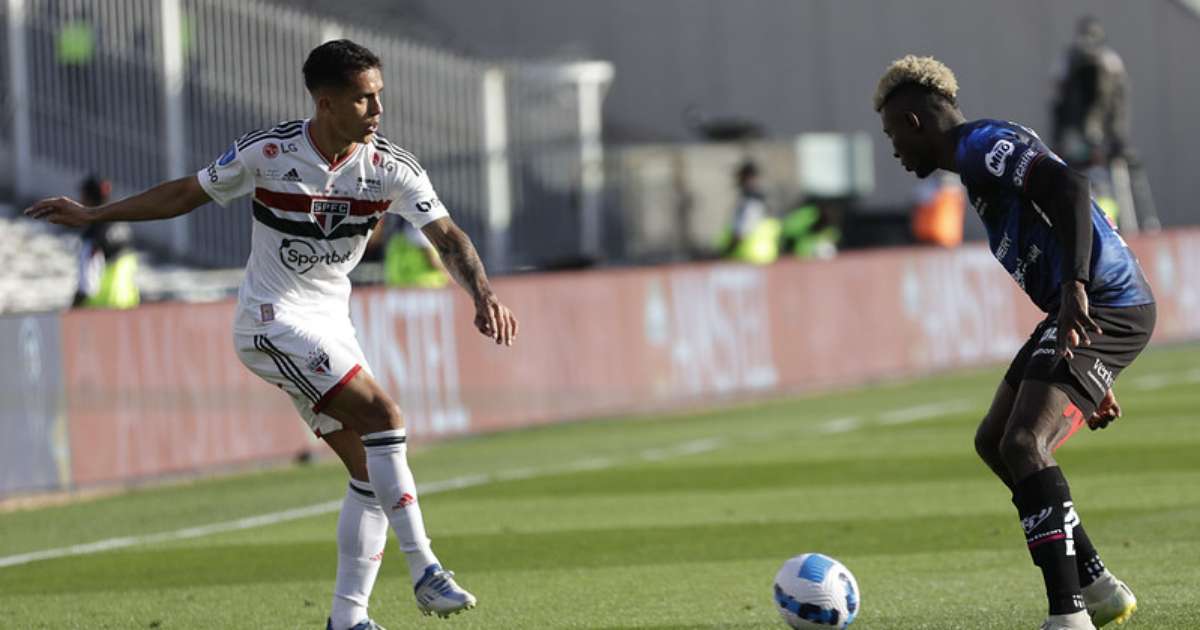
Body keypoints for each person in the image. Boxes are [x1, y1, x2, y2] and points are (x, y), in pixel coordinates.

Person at [26, 39, 518, 630]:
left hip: (331, 324)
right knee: (387, 419)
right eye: (365, 100)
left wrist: (483, 293)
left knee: (370, 472)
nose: (378, 111)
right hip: (270, 321)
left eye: (380, 97)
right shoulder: (268, 152)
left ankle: (347, 619)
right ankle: (426, 569)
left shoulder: (391, 167)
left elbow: (447, 235)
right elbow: (187, 193)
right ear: (327, 102)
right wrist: (96, 216)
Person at [874, 55, 1154, 630]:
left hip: (1103, 301)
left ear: (914, 122)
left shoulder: (981, 144)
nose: (895, 152)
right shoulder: (973, 168)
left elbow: (1070, 187)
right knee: (995, 439)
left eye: (892, 135)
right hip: (1077, 309)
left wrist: (1076, 288)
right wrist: (1085, 367)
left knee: (1026, 441)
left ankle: (1068, 616)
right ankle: (1096, 582)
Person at [72, 175, 139, 309]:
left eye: (82, 197)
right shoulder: (122, 224)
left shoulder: (93, 236)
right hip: (129, 307)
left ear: (89, 199)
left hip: (101, 310)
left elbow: (87, 284)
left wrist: (73, 311)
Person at [720, 160, 780, 264]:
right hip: (765, 257)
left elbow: (742, 232)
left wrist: (725, 252)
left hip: (748, 259)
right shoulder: (764, 201)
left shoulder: (750, 202)